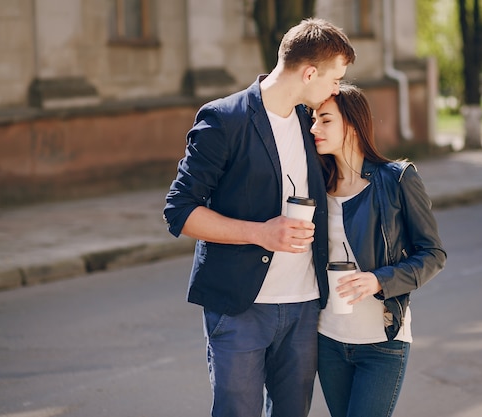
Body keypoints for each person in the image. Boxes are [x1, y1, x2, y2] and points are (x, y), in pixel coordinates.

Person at [163, 18, 356, 417]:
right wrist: (261, 233)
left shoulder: (311, 124)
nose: (336, 89)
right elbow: (179, 211)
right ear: (309, 73)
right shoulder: (224, 119)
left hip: (304, 306)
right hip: (239, 307)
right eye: (334, 78)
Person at [310, 83, 447, 417]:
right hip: (328, 339)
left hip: (382, 341)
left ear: (353, 126)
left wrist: (379, 280)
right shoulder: (316, 187)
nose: (314, 128)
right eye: (313, 120)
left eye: (325, 120)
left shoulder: (397, 179)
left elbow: (433, 254)